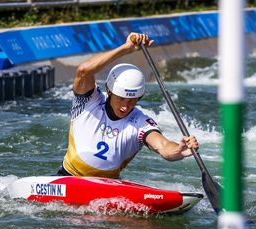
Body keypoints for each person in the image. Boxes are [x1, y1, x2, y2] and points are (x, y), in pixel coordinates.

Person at [56, 32, 199, 178]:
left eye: (132, 100)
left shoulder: (140, 123)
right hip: (68, 177)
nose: (126, 106)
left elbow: (163, 146)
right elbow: (84, 71)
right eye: (121, 99)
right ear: (109, 90)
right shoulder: (89, 102)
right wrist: (126, 49)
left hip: (109, 186)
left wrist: (179, 150)